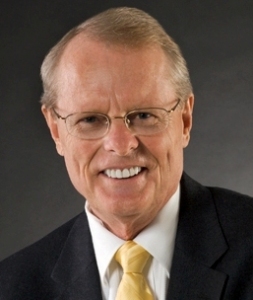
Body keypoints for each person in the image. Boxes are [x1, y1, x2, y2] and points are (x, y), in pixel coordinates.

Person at [0, 7, 253, 300]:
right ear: (56, 130)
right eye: (90, 120)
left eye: (144, 115)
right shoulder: (12, 287)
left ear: (184, 120)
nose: (121, 144)